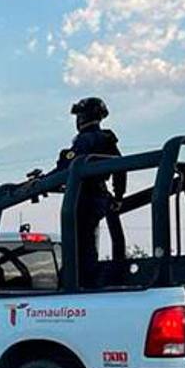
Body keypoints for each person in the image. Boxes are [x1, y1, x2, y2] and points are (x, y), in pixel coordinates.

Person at [53, 97, 126, 284]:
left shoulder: (84, 140)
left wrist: (43, 181)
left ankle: (80, 279)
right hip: (100, 196)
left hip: (83, 197)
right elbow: (121, 167)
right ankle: (86, 276)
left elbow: (66, 168)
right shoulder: (107, 140)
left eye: (79, 115)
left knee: (79, 241)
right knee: (87, 239)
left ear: (83, 117)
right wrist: (119, 196)